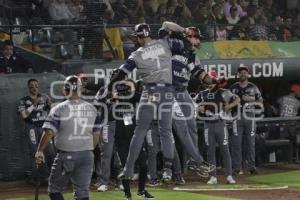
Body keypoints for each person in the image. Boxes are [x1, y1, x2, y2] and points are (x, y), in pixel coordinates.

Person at [107, 22, 189, 182]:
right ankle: (167, 171)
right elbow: (182, 44)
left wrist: (111, 86)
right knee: (166, 134)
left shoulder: (136, 54)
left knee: (141, 132)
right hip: (166, 94)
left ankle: (130, 169)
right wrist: (184, 30)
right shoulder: (164, 43)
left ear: (138, 36)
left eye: (136, 37)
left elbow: (121, 74)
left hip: (152, 96)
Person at [35, 75, 101, 200]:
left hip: (66, 155)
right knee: (82, 192)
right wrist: (87, 149)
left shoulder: (59, 108)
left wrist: (39, 150)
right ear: (81, 90)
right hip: (87, 155)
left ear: (65, 90)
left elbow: (49, 132)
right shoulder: (92, 108)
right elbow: (97, 134)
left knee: (54, 189)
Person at [196, 71, 240, 184]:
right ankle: (213, 177)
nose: (210, 84)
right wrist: (198, 108)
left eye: (213, 81)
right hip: (207, 125)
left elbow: (238, 99)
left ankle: (229, 176)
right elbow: (193, 103)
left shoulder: (224, 92)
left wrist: (229, 106)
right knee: (210, 151)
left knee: (225, 150)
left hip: (220, 124)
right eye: (208, 82)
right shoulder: (202, 94)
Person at [18, 78, 54, 183]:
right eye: (32, 86)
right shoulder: (24, 100)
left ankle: (52, 177)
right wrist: (34, 104)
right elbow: (24, 115)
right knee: (35, 152)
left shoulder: (45, 97)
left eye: (36, 85)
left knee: (50, 152)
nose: (34, 87)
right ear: (28, 87)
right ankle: (38, 178)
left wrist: (50, 104)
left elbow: (52, 110)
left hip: (44, 127)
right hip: (31, 128)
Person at [230, 65, 263, 175]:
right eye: (241, 72)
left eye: (244, 72)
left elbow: (261, 102)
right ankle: (237, 168)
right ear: (238, 74)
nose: (242, 74)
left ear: (247, 74)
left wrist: (251, 99)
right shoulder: (233, 87)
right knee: (236, 143)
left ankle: (251, 167)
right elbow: (226, 101)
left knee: (250, 142)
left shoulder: (253, 87)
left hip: (250, 116)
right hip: (237, 116)